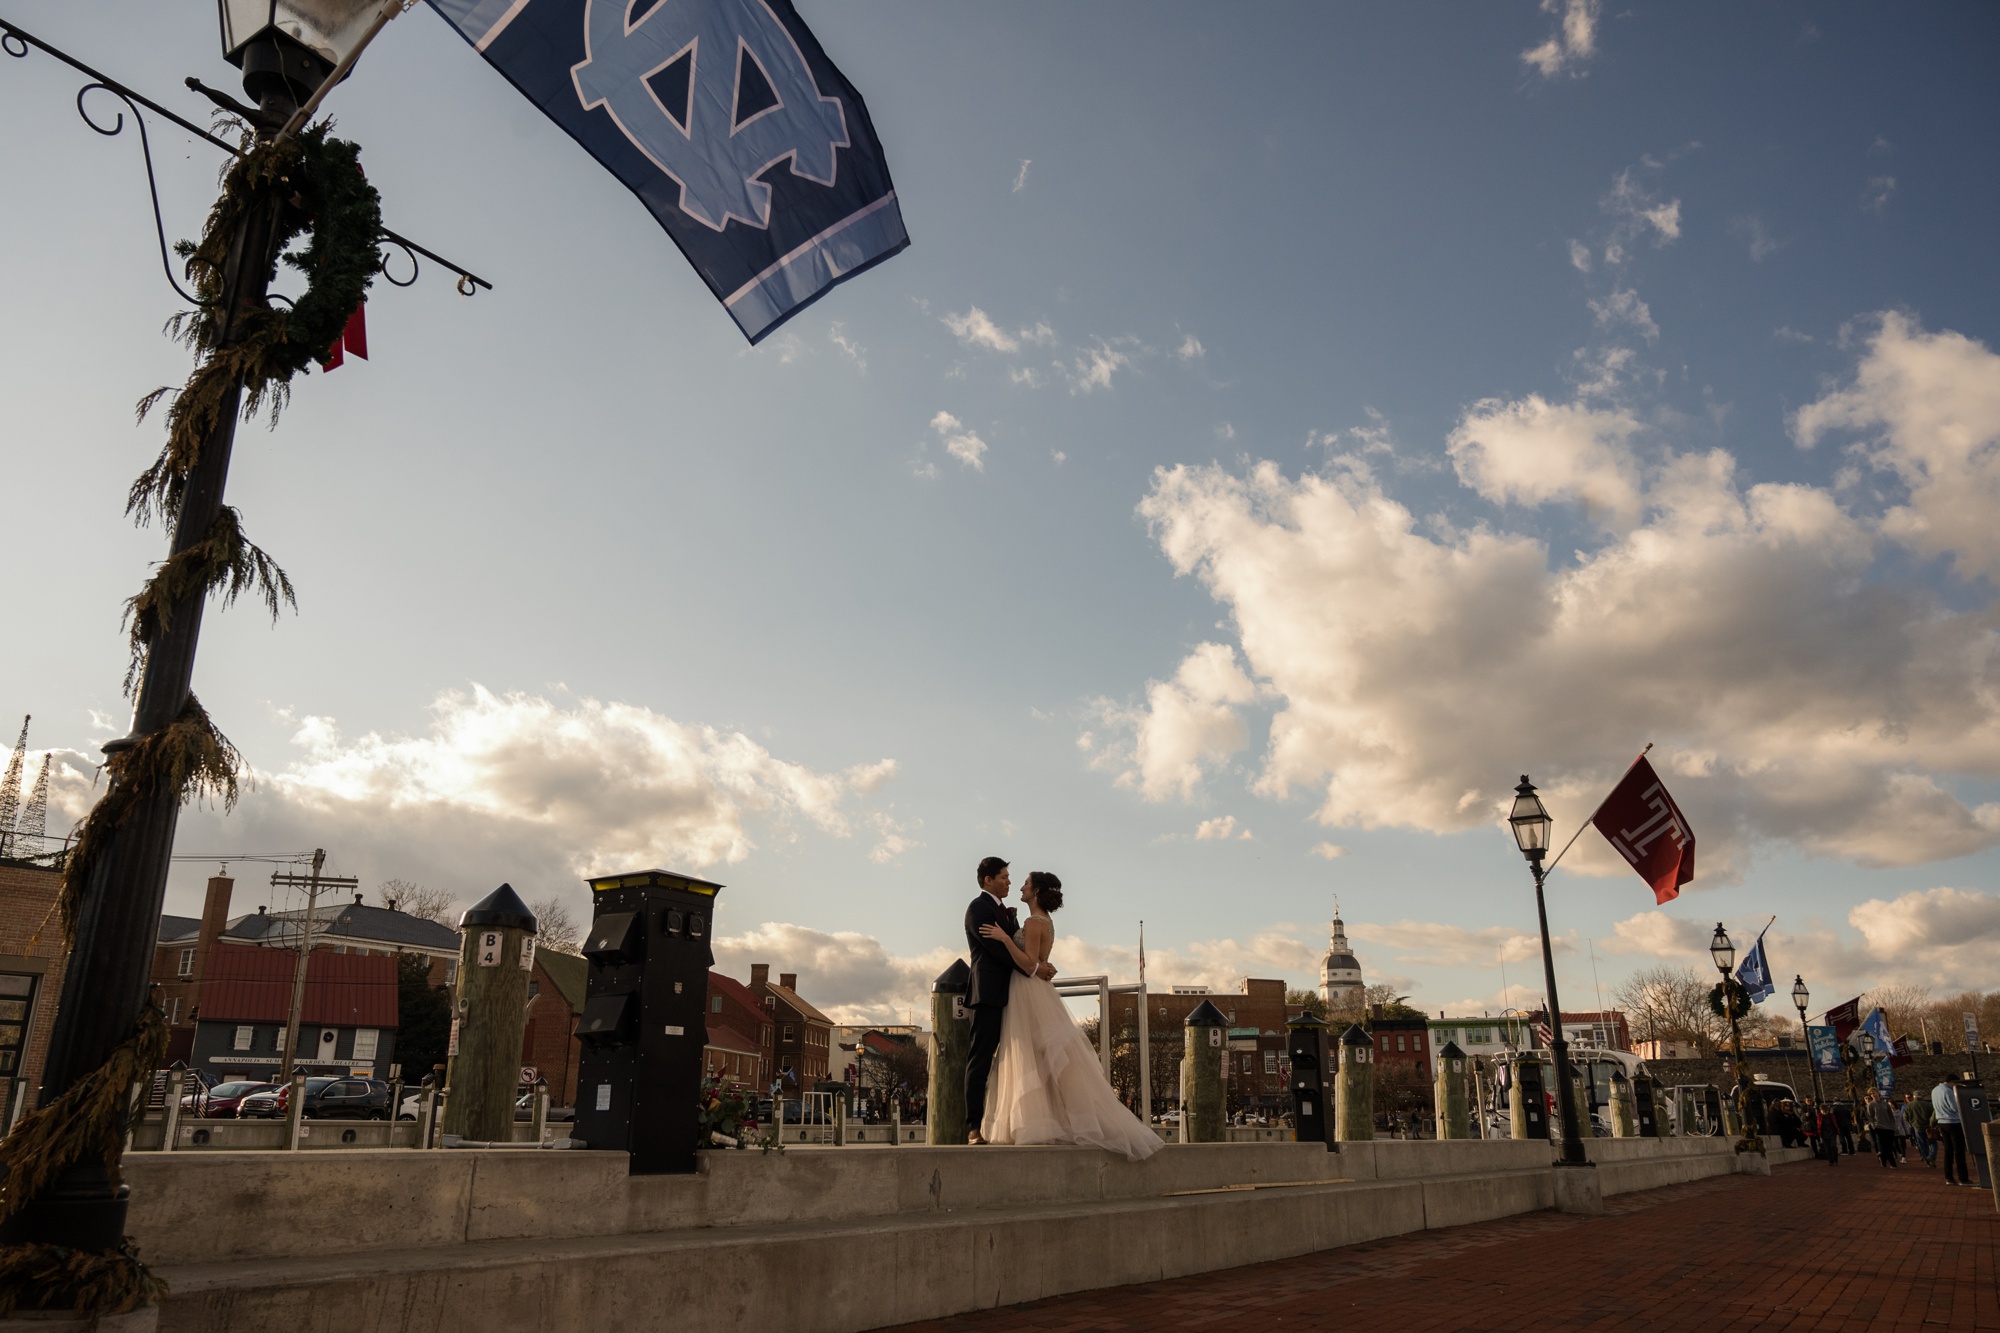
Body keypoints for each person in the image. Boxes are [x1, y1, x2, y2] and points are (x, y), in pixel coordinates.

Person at [976, 870, 1163, 1160]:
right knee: (1043, 1058)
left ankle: (1037, 1123)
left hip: (1027, 990)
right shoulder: (1044, 921)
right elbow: (1040, 962)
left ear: (1036, 891)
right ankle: (1052, 1119)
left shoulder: (1033, 921)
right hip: (1036, 990)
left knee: (1030, 1055)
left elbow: (1028, 963)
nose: (1021, 887)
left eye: (1025, 883)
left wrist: (1004, 938)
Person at [963, 857, 1054, 1144]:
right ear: (988, 879)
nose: (1009, 882)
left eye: (1011, 877)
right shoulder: (978, 908)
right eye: (1003, 877)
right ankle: (973, 1127)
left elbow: (1018, 947)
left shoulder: (1009, 914)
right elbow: (996, 951)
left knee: (1023, 1060)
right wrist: (1035, 967)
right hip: (989, 994)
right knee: (980, 1059)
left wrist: (1035, 963)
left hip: (1016, 995)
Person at [1933, 1073, 1970, 1186]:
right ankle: (1963, 1178)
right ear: (1952, 1082)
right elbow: (1954, 1108)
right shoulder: (1948, 1091)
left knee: (1948, 1151)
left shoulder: (1935, 1090)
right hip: (1953, 1122)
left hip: (1941, 1122)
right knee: (1959, 1151)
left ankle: (1948, 1177)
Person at [1865, 1090, 1899, 1168]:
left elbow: (1890, 1115)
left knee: (1889, 1146)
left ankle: (1883, 1159)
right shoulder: (1871, 1105)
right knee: (1886, 1145)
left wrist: (1893, 1126)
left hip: (1889, 1127)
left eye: (1874, 1093)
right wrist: (1874, 1126)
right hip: (1879, 1127)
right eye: (1871, 1094)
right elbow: (1870, 1117)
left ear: (1878, 1093)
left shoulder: (1885, 1104)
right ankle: (1893, 1164)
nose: (1873, 1095)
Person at [1908, 1090, 1937, 1168]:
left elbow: (1906, 1117)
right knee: (1933, 1143)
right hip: (1928, 1126)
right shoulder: (1929, 1105)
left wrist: (1912, 1122)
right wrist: (1932, 1123)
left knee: (1922, 1144)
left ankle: (1927, 1162)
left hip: (1917, 1127)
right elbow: (1934, 1114)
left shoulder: (1909, 1105)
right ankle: (1932, 1156)